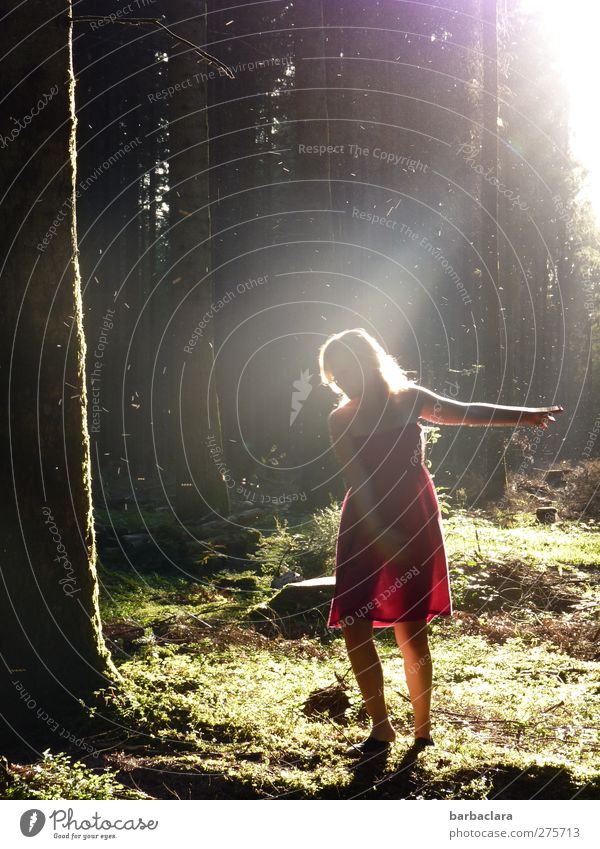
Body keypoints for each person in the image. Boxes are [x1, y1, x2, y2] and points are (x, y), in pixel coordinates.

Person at [318, 327, 563, 757]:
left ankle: (422, 729)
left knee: (410, 627)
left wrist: (524, 414)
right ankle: (380, 729)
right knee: (355, 625)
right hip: (364, 522)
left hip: (414, 516)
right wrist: (381, 534)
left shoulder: (408, 398)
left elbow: (466, 411)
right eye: (333, 374)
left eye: (344, 370)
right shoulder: (340, 419)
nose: (338, 380)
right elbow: (358, 481)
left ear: (368, 364)